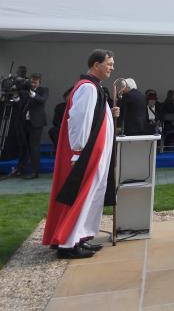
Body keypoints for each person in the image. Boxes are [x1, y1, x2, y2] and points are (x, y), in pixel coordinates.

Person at [43, 49, 120, 259]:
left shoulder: (92, 87)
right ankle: (68, 243)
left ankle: (79, 237)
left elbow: (92, 117)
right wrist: (78, 153)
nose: (112, 67)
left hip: (94, 153)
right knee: (81, 197)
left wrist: (109, 114)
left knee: (90, 197)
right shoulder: (87, 88)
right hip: (87, 155)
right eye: (109, 63)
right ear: (96, 64)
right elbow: (78, 121)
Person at [15, 73, 48, 179]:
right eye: (32, 82)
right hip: (25, 122)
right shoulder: (26, 91)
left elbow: (42, 99)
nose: (33, 84)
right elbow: (22, 102)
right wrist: (16, 97)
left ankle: (35, 172)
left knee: (34, 147)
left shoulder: (44, 89)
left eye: (35, 82)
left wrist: (32, 93)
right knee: (23, 146)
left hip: (37, 123)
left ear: (39, 82)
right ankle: (21, 169)